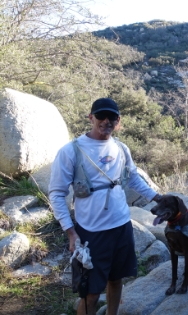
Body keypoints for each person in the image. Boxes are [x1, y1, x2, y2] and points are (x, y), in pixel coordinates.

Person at [49, 98, 161, 315]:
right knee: (90, 292)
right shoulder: (71, 151)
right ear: (91, 118)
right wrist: (71, 232)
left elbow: (133, 179)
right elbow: (56, 193)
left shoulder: (121, 148)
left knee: (116, 279)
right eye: (101, 116)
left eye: (112, 117)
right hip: (92, 231)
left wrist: (157, 197)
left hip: (121, 226)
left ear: (118, 121)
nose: (106, 121)